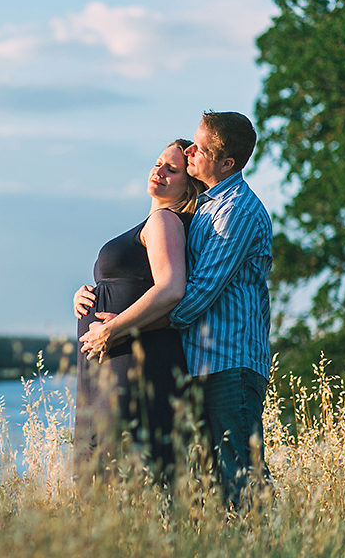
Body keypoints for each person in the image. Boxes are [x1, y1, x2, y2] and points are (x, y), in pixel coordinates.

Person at [83, 111, 273, 509]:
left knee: (239, 477)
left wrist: (120, 327)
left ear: (227, 164)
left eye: (198, 149)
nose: (189, 151)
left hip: (229, 363)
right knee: (204, 484)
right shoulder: (204, 208)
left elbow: (194, 296)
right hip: (196, 363)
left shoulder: (236, 210)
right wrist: (97, 296)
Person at [73, 139, 205, 485]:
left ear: (188, 184)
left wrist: (111, 329)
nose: (158, 171)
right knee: (112, 461)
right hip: (115, 359)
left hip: (128, 360)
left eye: (171, 169)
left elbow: (172, 288)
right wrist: (88, 294)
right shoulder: (157, 222)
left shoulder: (164, 220)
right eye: (158, 162)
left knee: (118, 463)